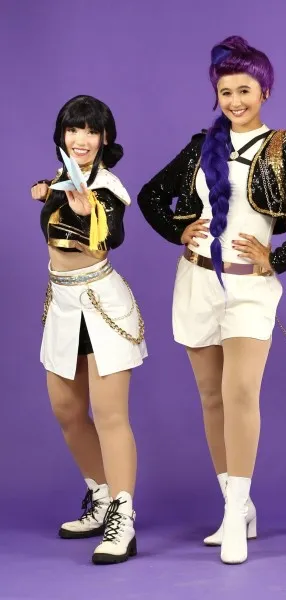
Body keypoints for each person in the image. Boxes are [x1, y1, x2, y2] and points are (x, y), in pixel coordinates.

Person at [138, 36, 286, 564]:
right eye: (225, 92)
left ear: (265, 91)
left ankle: (233, 515)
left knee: (241, 392)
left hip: (250, 288)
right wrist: (179, 229)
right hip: (197, 282)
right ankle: (237, 505)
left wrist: (280, 257)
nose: (235, 101)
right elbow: (151, 196)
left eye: (244, 90)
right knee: (212, 398)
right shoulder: (200, 147)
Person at [31, 95, 146, 565]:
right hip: (62, 304)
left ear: (104, 138)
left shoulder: (107, 188)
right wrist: (50, 191)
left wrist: (84, 210)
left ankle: (123, 516)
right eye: (73, 129)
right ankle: (100, 496)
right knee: (67, 409)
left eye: (91, 131)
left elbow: (111, 234)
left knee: (110, 413)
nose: (81, 139)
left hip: (101, 304)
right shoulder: (63, 178)